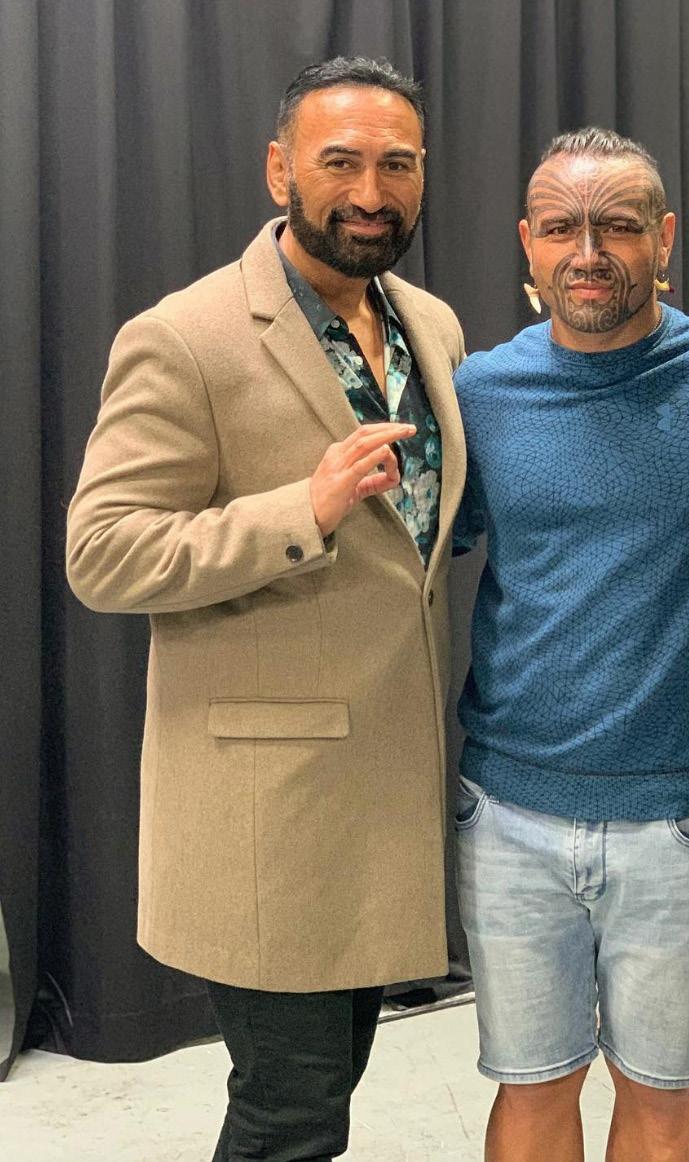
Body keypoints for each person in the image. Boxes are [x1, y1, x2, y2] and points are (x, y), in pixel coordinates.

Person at [66, 57, 465, 1161]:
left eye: (397, 164)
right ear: (280, 170)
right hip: (267, 812)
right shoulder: (184, 336)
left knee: (316, 1099)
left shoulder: (431, 324)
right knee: (290, 1113)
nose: (371, 193)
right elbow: (101, 554)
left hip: (387, 799)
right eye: (341, 162)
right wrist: (306, 509)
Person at [452, 128, 689, 1162]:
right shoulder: (480, 395)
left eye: (618, 226)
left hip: (682, 814)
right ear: (528, 241)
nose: (588, 252)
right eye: (561, 228)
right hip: (507, 812)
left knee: (659, 1091)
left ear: (665, 237)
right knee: (530, 1086)